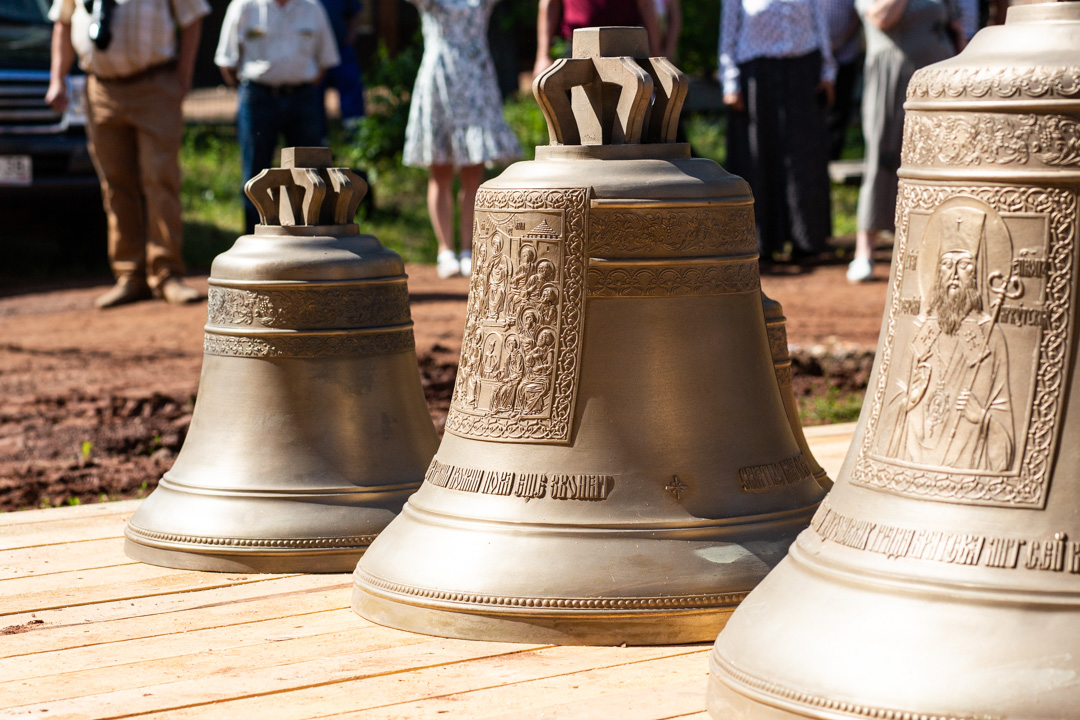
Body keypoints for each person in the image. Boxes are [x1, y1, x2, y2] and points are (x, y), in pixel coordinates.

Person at [45, 0, 209, 309]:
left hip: (154, 86)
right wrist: (57, 78)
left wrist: (183, 77)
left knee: (159, 179)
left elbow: (193, 17)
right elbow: (63, 23)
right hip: (100, 91)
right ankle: (129, 275)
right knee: (115, 184)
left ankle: (166, 274)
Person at [883, 206, 1014, 471]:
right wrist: (908, 400)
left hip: (967, 456)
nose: (953, 274)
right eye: (946, 264)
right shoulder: (924, 331)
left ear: (976, 274)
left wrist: (983, 419)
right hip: (915, 448)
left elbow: (1004, 415)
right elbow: (895, 403)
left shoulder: (990, 337)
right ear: (937, 272)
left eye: (964, 265)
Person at [403, 0, 521, 279]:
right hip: (439, 80)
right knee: (440, 171)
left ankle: (469, 250)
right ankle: (445, 251)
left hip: (476, 81)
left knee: (473, 174)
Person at [845, 0, 957, 282]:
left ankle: (939, 249)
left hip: (937, 73)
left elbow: (953, 23)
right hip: (890, 73)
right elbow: (881, 17)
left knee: (941, 162)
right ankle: (864, 252)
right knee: (881, 158)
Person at [720, 0, 836, 266]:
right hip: (756, 77)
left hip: (803, 73)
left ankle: (807, 241)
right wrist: (730, 83)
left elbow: (821, 26)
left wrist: (828, 71)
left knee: (803, 158)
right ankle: (760, 243)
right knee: (758, 157)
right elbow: (728, 34)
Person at [215, 0, 340, 235]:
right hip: (257, 97)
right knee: (254, 174)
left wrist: (298, 86)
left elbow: (325, 60)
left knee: (311, 173)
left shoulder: (312, 8)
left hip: (302, 98)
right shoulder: (243, 7)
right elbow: (227, 61)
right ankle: (254, 244)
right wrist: (250, 92)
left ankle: (312, 242)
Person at [534, 0, 663, 78]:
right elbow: (550, 4)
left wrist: (655, 53)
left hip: (625, 47)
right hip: (578, 48)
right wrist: (542, 56)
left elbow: (645, 4)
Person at [317, 0, 366, 134]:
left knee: (352, 89)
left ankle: (356, 138)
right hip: (314, 56)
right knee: (312, 97)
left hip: (341, 50)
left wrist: (349, 40)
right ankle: (318, 139)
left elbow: (354, 14)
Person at [823, 0, 863, 160]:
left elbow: (857, 15)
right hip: (817, 57)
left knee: (839, 109)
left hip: (845, 55)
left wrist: (840, 43)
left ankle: (833, 156)